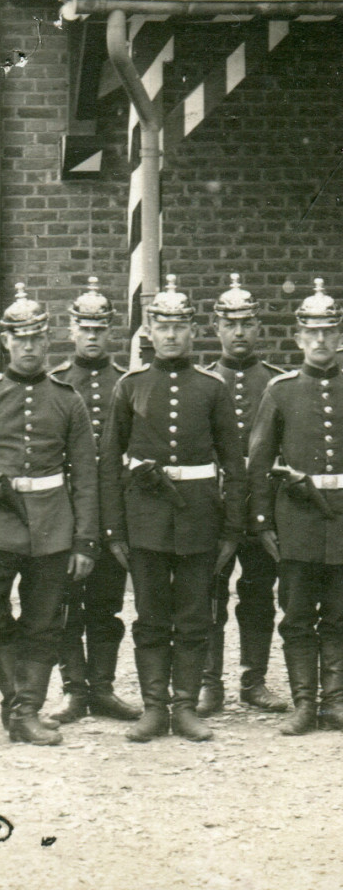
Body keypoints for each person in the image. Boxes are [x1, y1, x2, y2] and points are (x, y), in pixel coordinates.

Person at [0, 283, 98, 749]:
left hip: (52, 530)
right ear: (5, 341)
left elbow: (85, 478)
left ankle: (26, 712)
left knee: (44, 623)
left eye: (37, 338)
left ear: (48, 341)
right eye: (19, 338)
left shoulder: (68, 401)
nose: (29, 347)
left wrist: (85, 541)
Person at [100, 275, 245, 743]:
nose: (171, 335)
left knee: (194, 615)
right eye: (162, 326)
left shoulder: (212, 387)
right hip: (145, 517)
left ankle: (185, 707)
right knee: (149, 616)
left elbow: (233, 464)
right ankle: (154, 709)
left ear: (193, 331)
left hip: (200, 515)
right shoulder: (131, 386)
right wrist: (115, 530)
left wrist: (231, 529)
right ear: (149, 330)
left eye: (180, 326)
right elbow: (109, 462)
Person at [248, 279, 343, 736]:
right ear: (299, 338)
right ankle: (305, 703)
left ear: (339, 336)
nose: (322, 339)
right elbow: (260, 461)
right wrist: (264, 520)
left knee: (340, 613)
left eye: (329, 331)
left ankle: (336, 701)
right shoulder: (281, 391)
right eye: (313, 332)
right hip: (299, 518)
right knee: (299, 614)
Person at [48, 278, 140, 725]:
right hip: (66, 510)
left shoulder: (127, 382)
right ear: (71, 330)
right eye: (84, 327)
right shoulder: (57, 384)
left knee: (106, 603)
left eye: (100, 329)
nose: (91, 336)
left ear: (112, 332)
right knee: (65, 602)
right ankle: (73, 688)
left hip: (114, 510)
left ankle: (103, 688)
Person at [197, 275, 287, 717]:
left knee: (258, 593)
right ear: (215, 327)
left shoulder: (274, 383)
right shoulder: (202, 382)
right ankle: (209, 684)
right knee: (210, 590)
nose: (238, 333)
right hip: (214, 508)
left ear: (259, 328)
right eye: (229, 324)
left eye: (247, 324)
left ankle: (254, 680)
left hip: (262, 506)